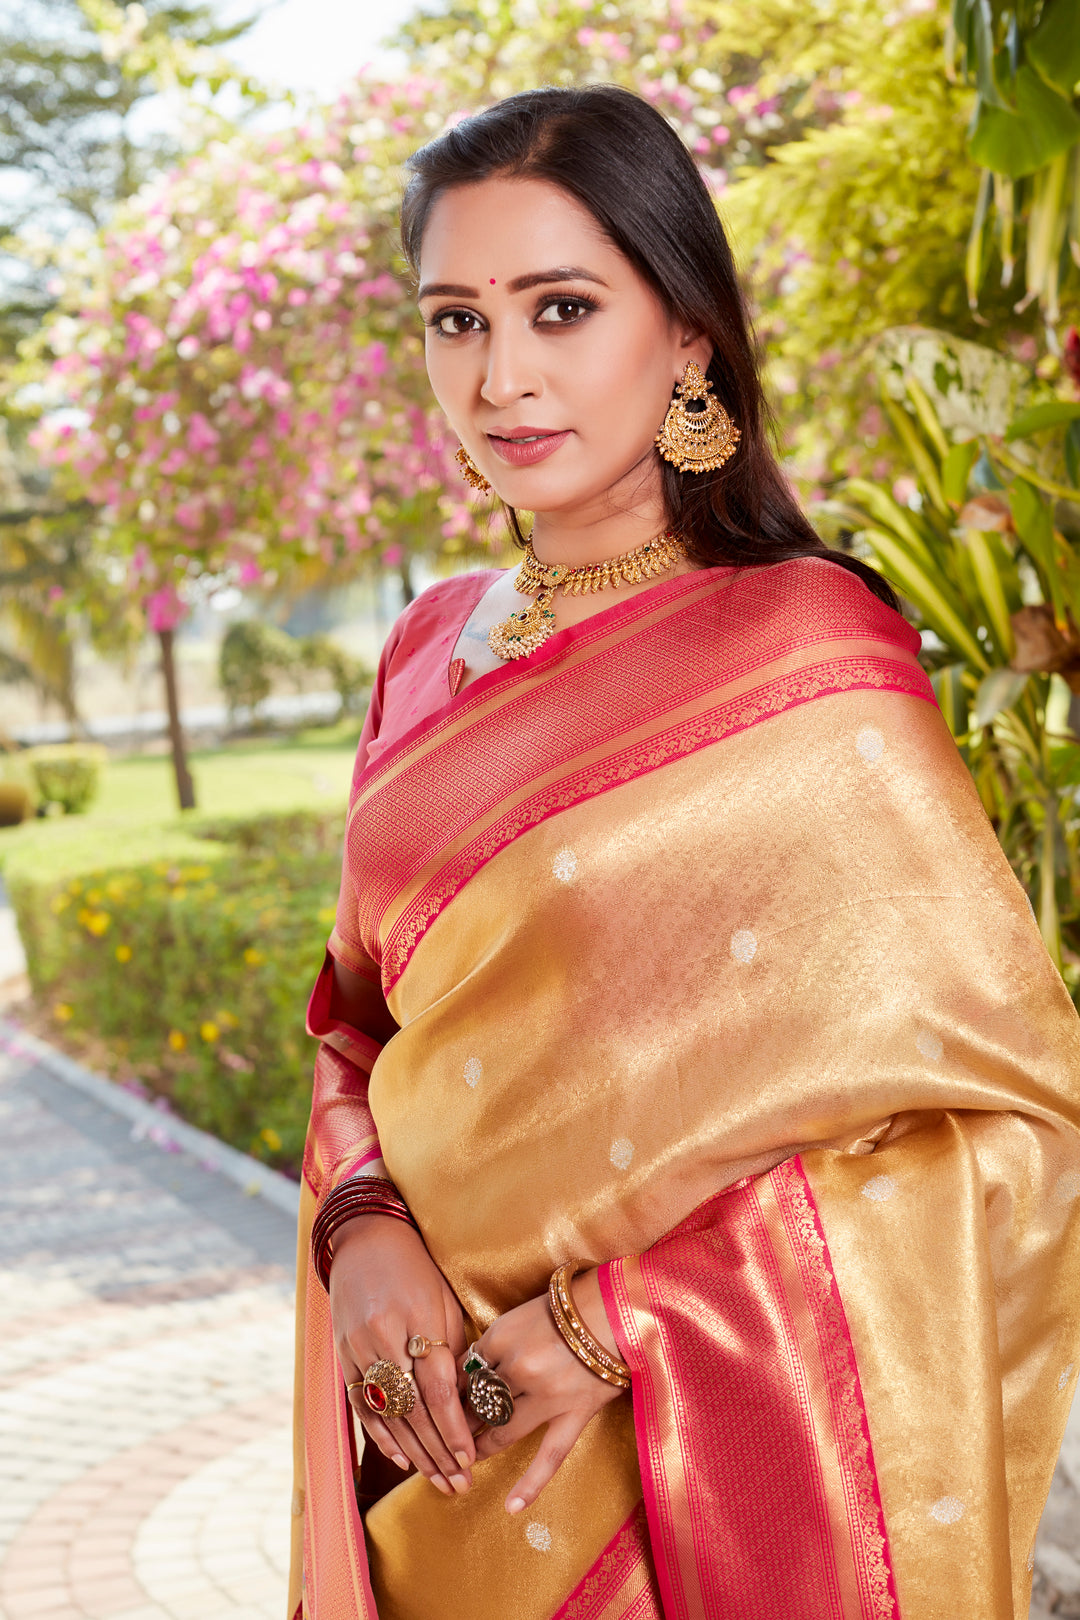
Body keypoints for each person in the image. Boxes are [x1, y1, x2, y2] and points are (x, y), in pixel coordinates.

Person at [288, 85, 1080, 1620]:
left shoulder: (806, 653)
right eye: (456, 320)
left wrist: (621, 1327)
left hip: (668, 1495)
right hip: (428, 1446)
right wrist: (360, 1220)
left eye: (560, 309)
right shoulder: (426, 647)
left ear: (689, 337)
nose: (500, 376)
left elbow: (990, 1124)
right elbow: (355, 1017)